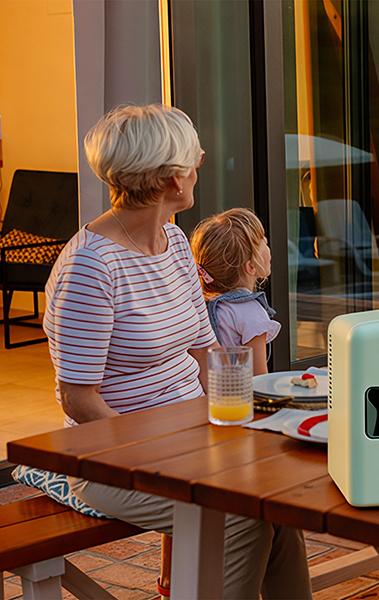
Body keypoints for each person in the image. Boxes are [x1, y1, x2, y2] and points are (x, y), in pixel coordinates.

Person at [44, 104, 312, 599]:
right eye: (195, 159)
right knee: (240, 517)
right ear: (172, 180)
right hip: (111, 462)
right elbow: (77, 399)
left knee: (278, 500)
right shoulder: (90, 267)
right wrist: (165, 452)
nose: (200, 165)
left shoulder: (172, 241)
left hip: (192, 441)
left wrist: (247, 424)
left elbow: (207, 353)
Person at [191, 207, 278, 376]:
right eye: (262, 241)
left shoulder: (199, 306)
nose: (266, 240)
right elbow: (258, 377)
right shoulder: (251, 312)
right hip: (237, 392)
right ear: (251, 267)